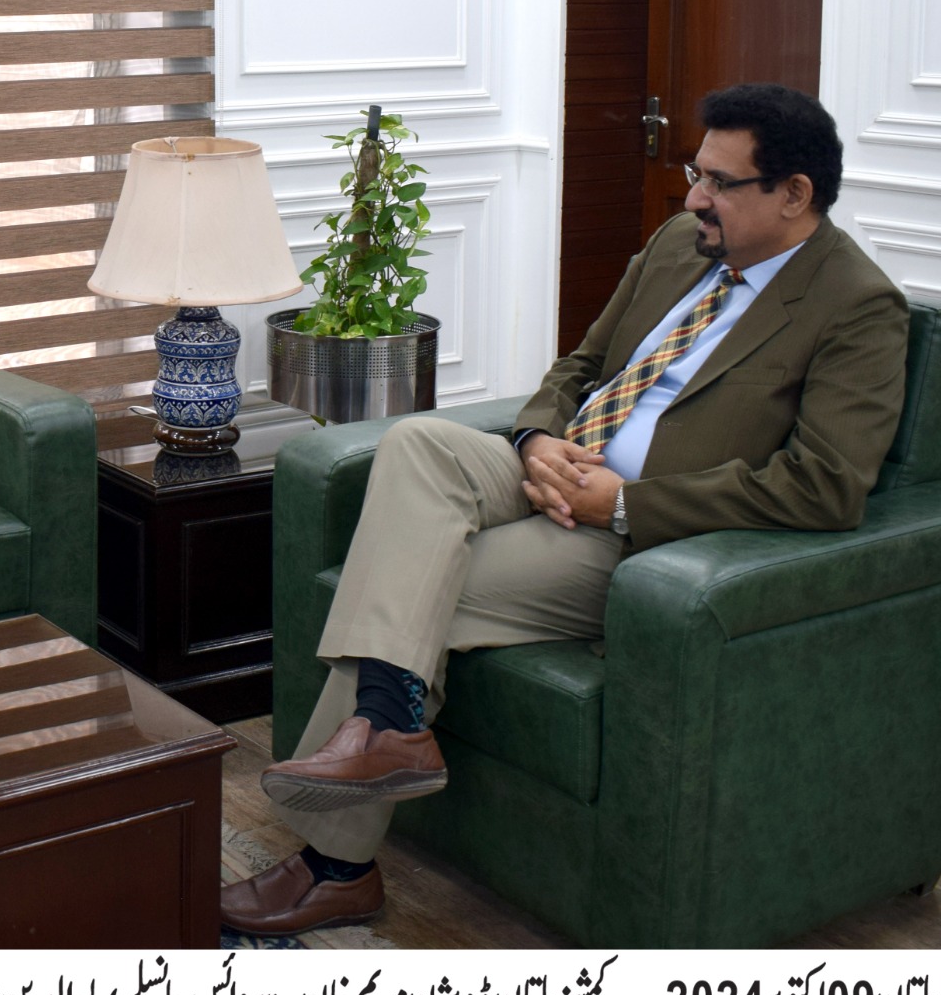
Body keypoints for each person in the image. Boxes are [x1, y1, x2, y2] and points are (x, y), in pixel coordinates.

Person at [220, 83, 910, 936]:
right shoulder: (679, 244)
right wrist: (536, 439)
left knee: (421, 582)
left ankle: (337, 867)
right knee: (418, 443)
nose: (695, 198)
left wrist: (628, 503)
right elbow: (581, 365)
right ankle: (392, 729)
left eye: (720, 183)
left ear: (794, 194)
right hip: (560, 466)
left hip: (635, 535)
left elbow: (826, 485)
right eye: (696, 174)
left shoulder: (856, 307)